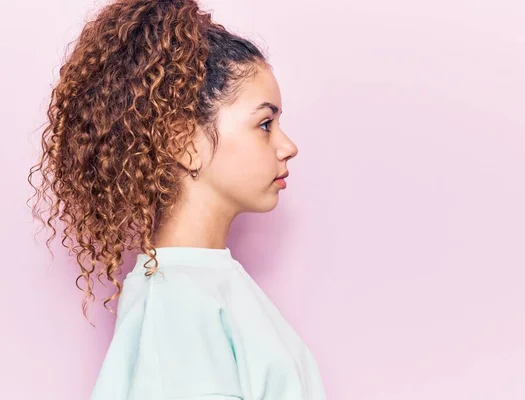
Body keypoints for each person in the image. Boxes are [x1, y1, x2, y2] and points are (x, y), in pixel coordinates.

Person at [27, 0, 327, 398]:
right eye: (265, 124)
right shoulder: (179, 299)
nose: (288, 146)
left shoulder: (201, 281)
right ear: (183, 143)